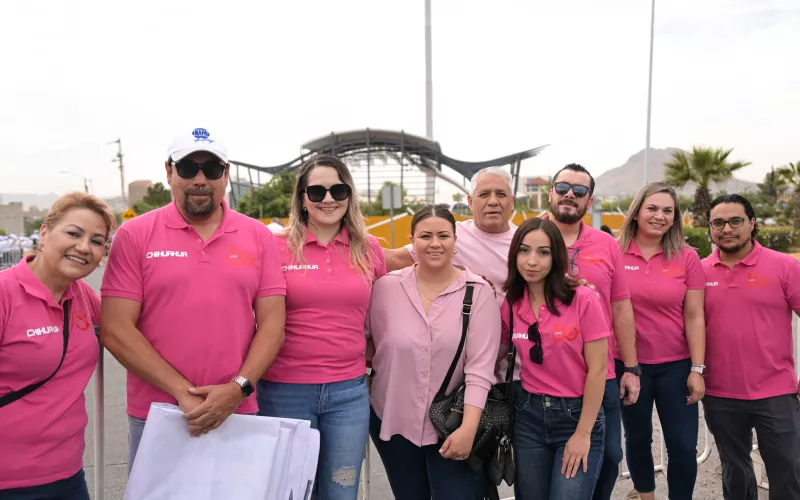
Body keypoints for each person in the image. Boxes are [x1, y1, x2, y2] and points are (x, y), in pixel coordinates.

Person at [100, 128, 287, 473]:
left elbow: (273, 324)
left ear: (226, 175)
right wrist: (182, 393)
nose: (200, 179)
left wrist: (237, 389)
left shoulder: (258, 235)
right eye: (188, 168)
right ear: (169, 172)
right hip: (158, 413)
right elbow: (115, 329)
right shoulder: (134, 234)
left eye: (212, 169)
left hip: (237, 411)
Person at [256, 155, 386, 500]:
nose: (328, 199)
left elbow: (387, 312)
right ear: (301, 198)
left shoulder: (369, 249)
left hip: (348, 393)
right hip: (284, 391)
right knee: (289, 493)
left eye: (338, 190)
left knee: (341, 492)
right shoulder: (274, 247)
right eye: (317, 191)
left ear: (349, 195)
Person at [367, 205, 500, 500]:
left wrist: (468, 429)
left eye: (443, 235)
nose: (435, 243)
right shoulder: (385, 289)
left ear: (456, 241)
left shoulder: (478, 293)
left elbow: (480, 369)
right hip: (394, 420)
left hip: (453, 424)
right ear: (412, 242)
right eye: (425, 236)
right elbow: (365, 343)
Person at [0, 193, 115, 499]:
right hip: (9, 482)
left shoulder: (82, 295)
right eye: (74, 233)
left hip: (69, 475)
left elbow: (131, 333)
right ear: (45, 231)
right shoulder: (4, 294)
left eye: (96, 241)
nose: (84, 247)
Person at [545, 163, 640, 500]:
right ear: (550, 192)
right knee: (547, 461)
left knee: (611, 455)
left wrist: (631, 368)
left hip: (601, 371)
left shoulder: (606, 244)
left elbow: (621, 307)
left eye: (579, 190)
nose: (569, 194)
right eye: (562, 187)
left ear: (590, 200)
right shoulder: (529, 238)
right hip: (543, 374)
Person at [501, 217, 609, 499]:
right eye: (524, 251)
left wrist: (583, 434)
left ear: (556, 256)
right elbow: (491, 355)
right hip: (528, 417)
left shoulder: (583, 299)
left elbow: (598, 370)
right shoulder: (511, 303)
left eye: (543, 252)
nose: (531, 261)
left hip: (577, 416)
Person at [701, 194, 800, 500]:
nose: (726, 229)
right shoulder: (699, 271)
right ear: (710, 228)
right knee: (735, 471)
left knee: (787, 470)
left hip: (776, 392)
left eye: (735, 221)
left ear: (752, 223)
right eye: (718, 222)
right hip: (719, 393)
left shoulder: (784, 266)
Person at [616, 182, 706, 500]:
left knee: (683, 444)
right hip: (627, 366)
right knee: (638, 438)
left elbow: (695, 316)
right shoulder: (614, 252)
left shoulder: (687, 257)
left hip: (676, 366)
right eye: (652, 208)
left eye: (668, 210)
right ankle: (646, 495)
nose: (660, 216)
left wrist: (697, 368)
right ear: (637, 211)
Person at [383, 166, 517, 298]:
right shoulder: (447, 236)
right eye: (484, 194)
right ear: (470, 202)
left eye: (501, 194)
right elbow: (395, 259)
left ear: (512, 201)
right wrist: (362, 241)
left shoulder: (525, 242)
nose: (493, 201)